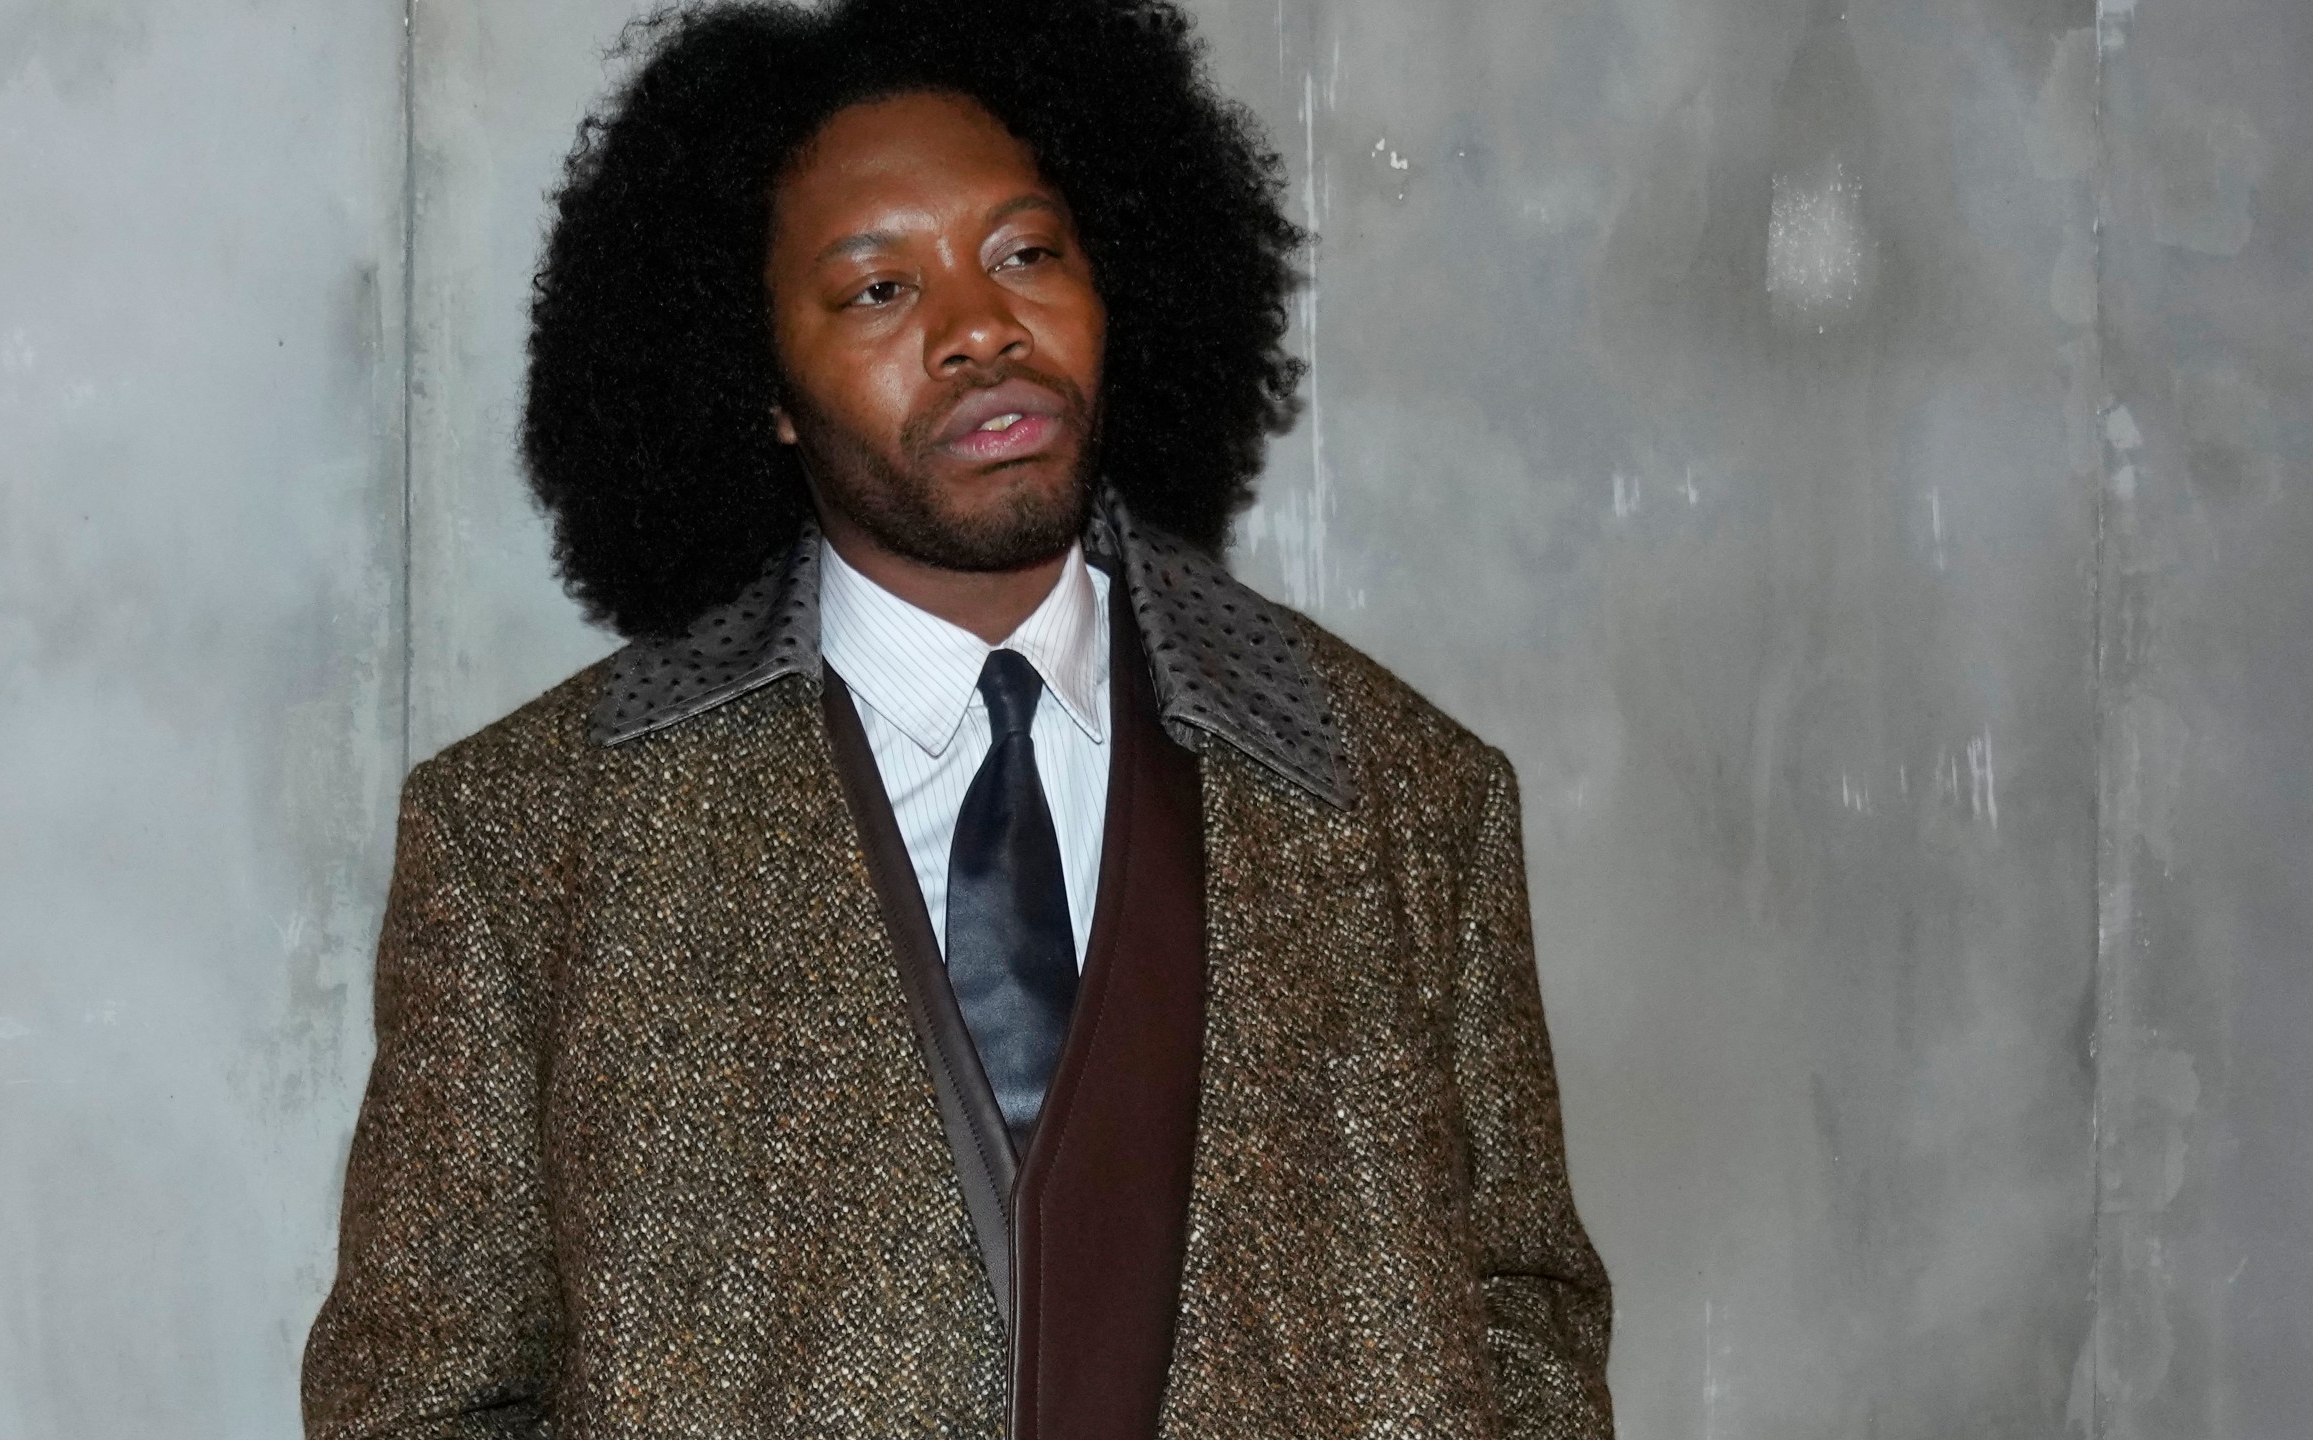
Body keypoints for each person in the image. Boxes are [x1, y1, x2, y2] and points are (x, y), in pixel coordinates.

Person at [301, 0, 1613, 1434]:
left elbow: (1525, 1325)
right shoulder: (529, 842)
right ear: (761, 384)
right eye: (878, 289)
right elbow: (422, 1399)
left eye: (1027, 254)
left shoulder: (1406, 795)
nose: (982, 327)